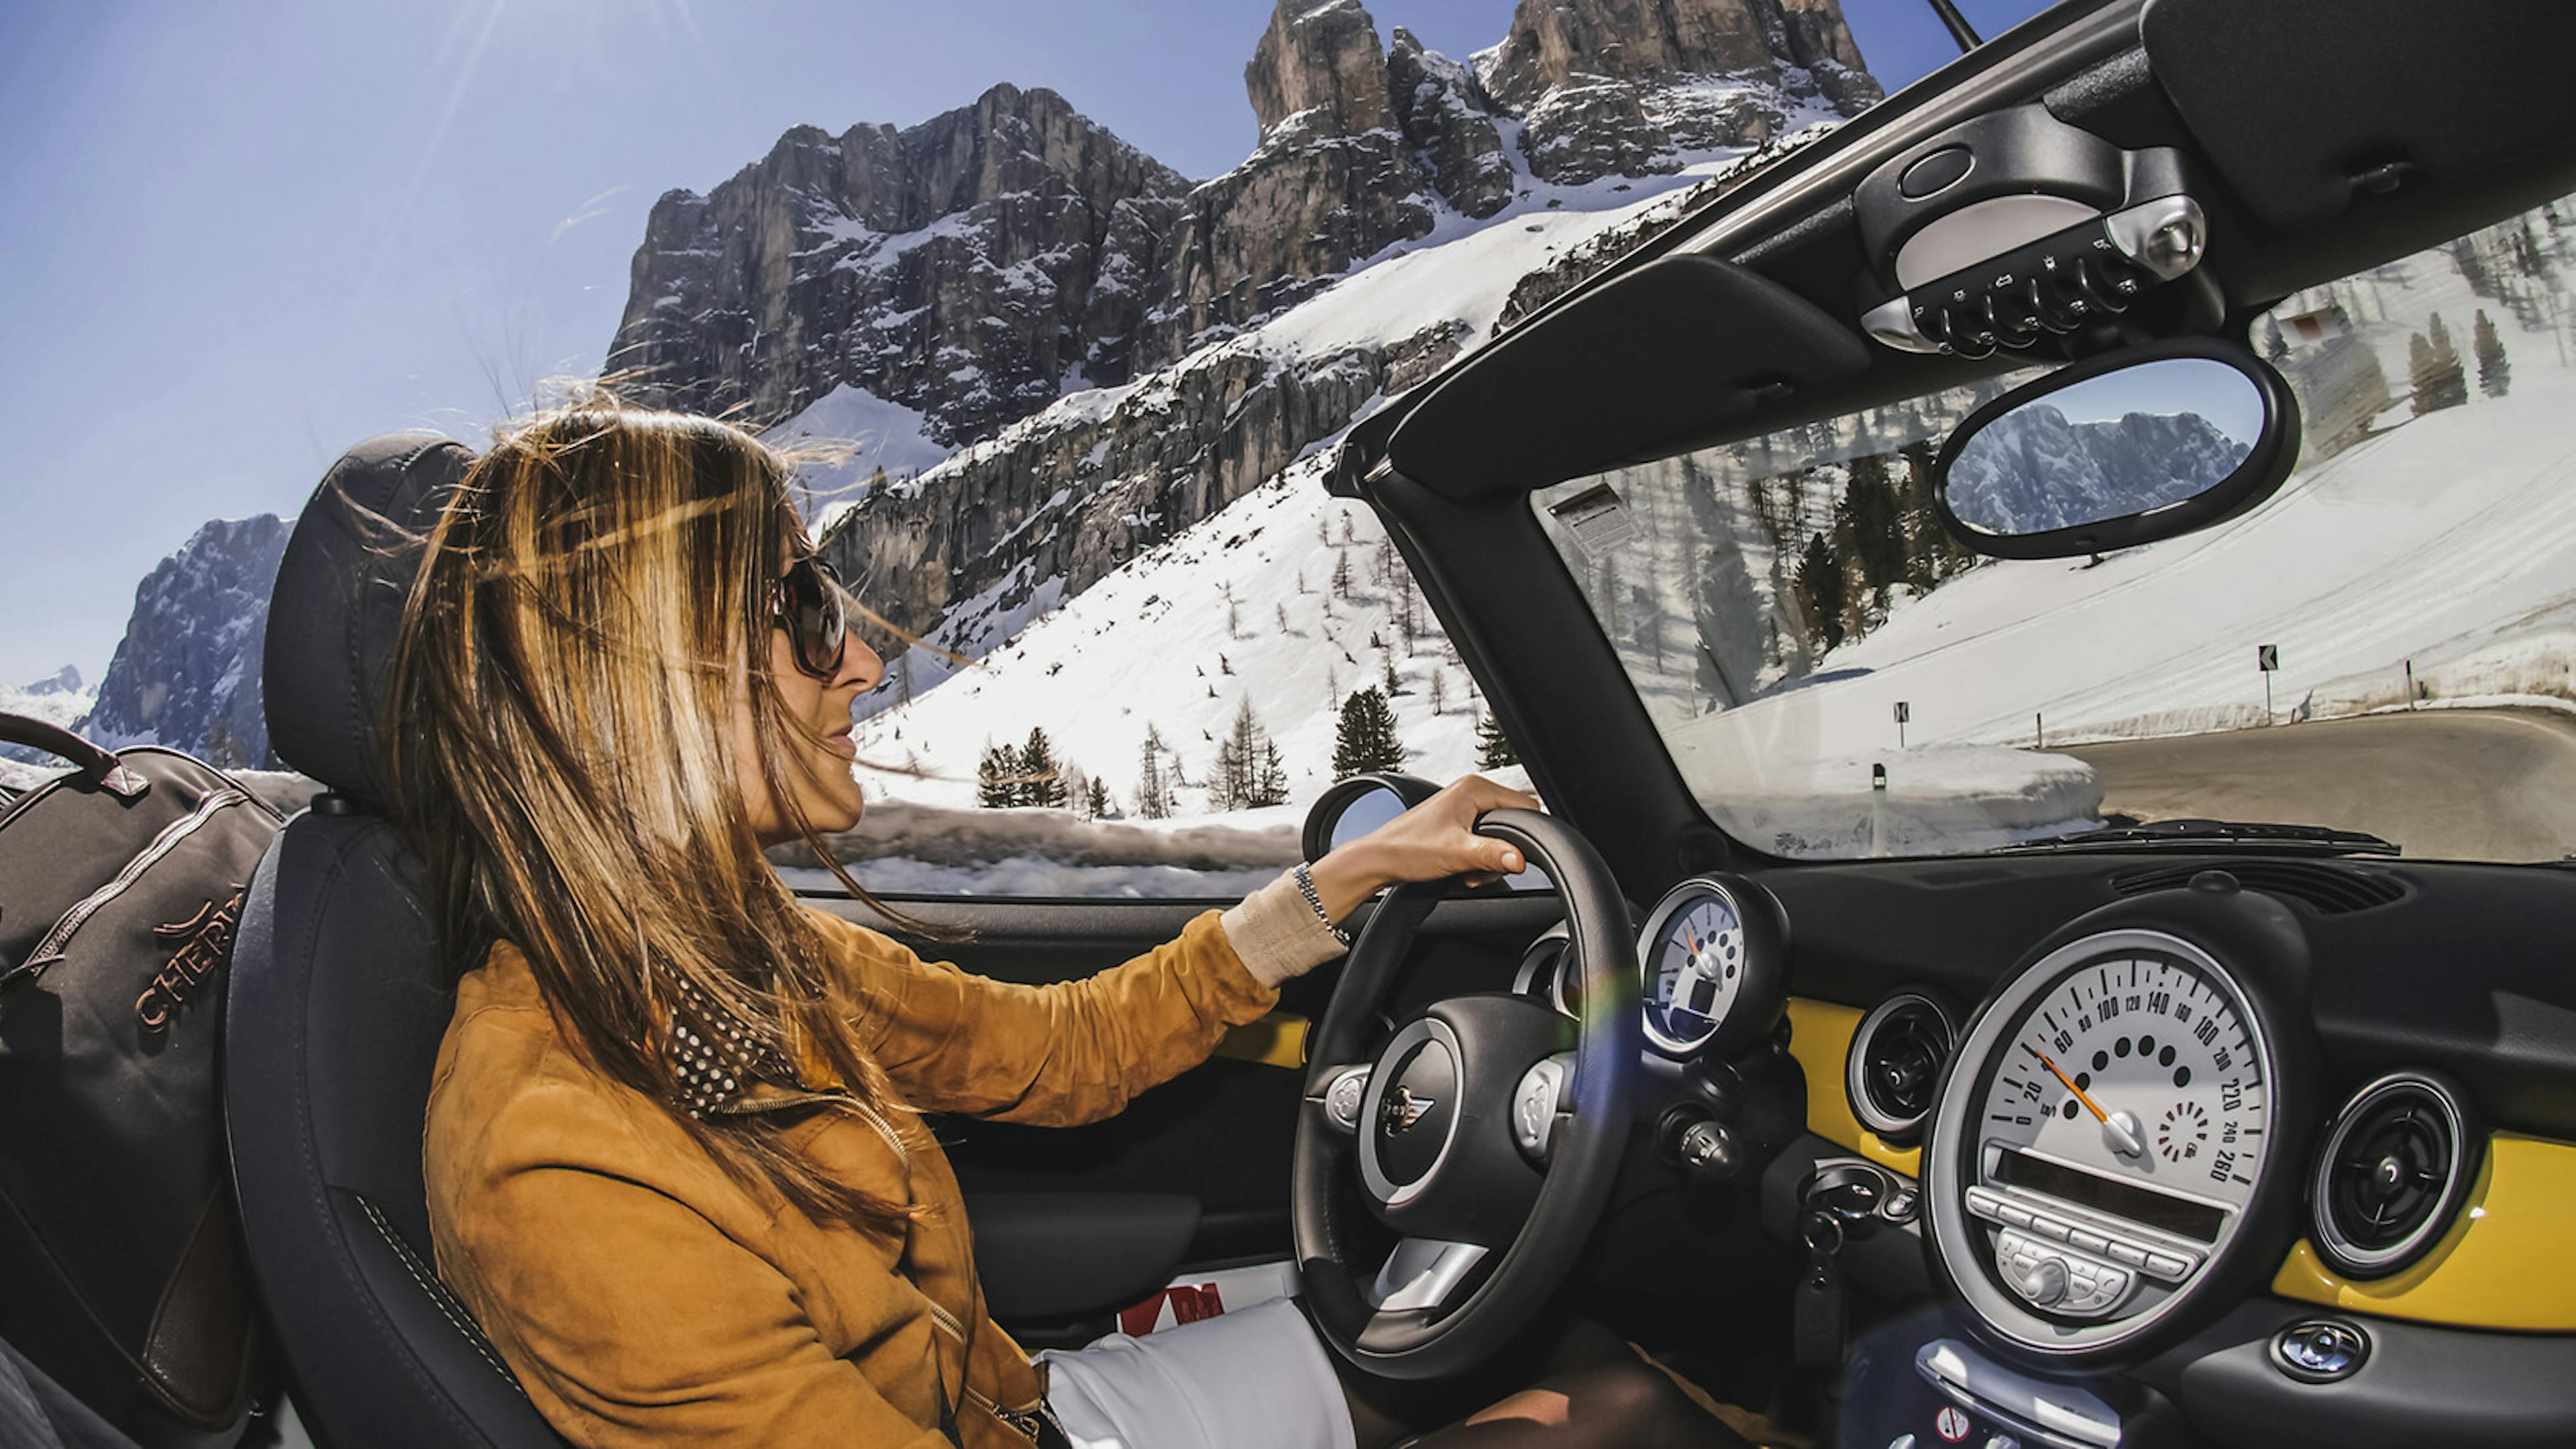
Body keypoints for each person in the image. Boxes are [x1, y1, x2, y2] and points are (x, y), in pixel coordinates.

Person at [391, 403, 1729, 1448]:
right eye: (806, 614)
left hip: (1021, 1411)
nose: (862, 658)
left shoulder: (742, 948)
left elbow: (1059, 1050)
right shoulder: (556, 1160)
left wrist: (1346, 882)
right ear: (640, 688)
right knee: (1627, 1421)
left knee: (1517, 1341)